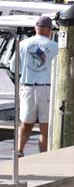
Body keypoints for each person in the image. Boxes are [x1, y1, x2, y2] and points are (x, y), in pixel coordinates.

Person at [12, 16, 57, 156]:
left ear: (35, 28)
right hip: (48, 89)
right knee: (45, 127)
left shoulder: (23, 44)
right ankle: (44, 156)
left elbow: (14, 67)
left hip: (28, 87)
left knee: (25, 123)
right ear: (49, 30)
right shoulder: (55, 47)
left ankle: (19, 151)